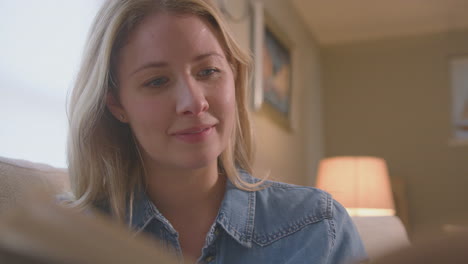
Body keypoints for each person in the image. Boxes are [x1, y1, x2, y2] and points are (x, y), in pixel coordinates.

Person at [66, 0, 367, 263]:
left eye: (208, 71)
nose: (195, 102)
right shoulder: (68, 236)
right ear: (117, 104)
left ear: (233, 78)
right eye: (157, 81)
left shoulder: (316, 227)